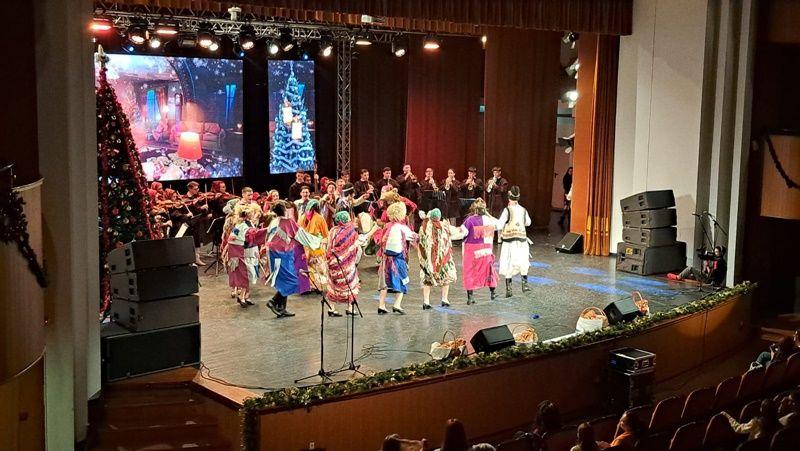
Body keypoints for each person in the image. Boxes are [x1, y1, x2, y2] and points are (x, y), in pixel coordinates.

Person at [265, 201, 309, 318]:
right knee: (291, 281)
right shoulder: (288, 222)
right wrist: (315, 242)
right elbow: (300, 235)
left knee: (284, 280)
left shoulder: (274, 221)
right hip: (282, 254)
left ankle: (281, 308)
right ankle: (273, 301)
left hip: (276, 253)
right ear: (284, 210)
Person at [376, 202, 418, 315]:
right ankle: (397, 304)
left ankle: (381, 305)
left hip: (386, 259)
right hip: (398, 259)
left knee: (384, 283)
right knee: (402, 280)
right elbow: (413, 237)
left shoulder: (387, 226)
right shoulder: (402, 228)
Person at [225, 204, 267, 308]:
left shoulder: (248, 224)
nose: (255, 214)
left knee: (251, 274)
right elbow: (236, 237)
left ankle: (246, 296)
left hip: (250, 251)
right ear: (248, 214)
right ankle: (242, 296)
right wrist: (267, 230)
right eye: (253, 212)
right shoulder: (242, 225)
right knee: (246, 275)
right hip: (243, 252)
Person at [458, 198, 499, 304]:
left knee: (469, 271)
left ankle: (470, 297)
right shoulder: (490, 220)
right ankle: (493, 292)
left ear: (474, 209)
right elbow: (499, 224)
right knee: (489, 270)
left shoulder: (470, 220)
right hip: (486, 250)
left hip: (472, 250)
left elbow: (462, 232)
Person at [497, 186, 532, 297]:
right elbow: (528, 223)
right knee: (522, 261)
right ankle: (524, 284)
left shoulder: (507, 210)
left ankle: (509, 290)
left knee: (508, 263)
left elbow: (499, 225)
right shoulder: (523, 210)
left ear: (509, 197)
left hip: (509, 242)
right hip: (521, 241)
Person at [418, 209, 457, 308]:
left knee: (427, 279)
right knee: (446, 277)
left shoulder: (424, 227)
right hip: (443, 258)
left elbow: (420, 240)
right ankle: (444, 299)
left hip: (428, 259)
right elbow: (458, 233)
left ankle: (426, 301)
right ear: (439, 217)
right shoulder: (445, 227)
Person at [298, 199, 332, 310]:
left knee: (312, 266)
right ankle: (315, 286)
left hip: (310, 246)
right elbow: (325, 234)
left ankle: (313, 286)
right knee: (315, 267)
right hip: (313, 246)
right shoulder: (316, 218)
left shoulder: (306, 217)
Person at [326, 211, 361, 316]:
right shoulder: (351, 232)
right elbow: (354, 248)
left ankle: (331, 308)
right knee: (350, 284)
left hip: (333, 262)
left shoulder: (333, 230)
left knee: (333, 285)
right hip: (347, 264)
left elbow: (329, 247)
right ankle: (350, 308)